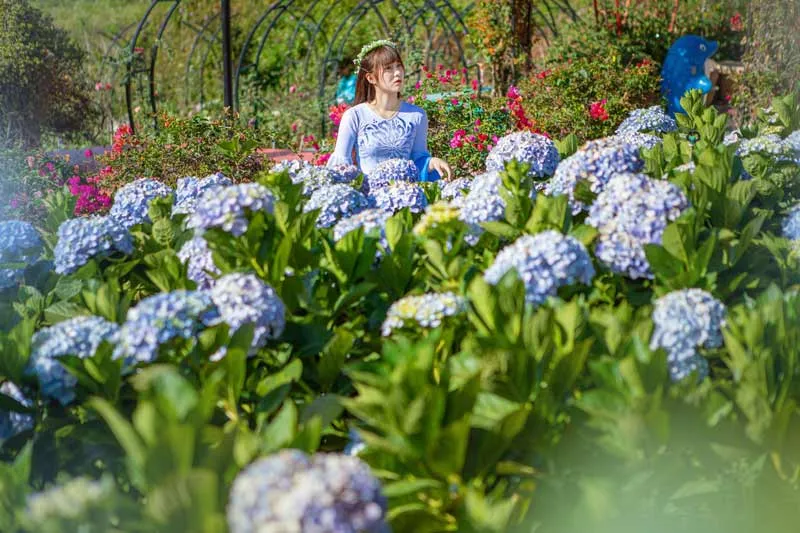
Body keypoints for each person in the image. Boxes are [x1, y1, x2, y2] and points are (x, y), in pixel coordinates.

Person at [326, 40, 452, 181]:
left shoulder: (417, 115)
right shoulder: (355, 116)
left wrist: (431, 162)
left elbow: (419, 159)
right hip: (369, 197)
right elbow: (341, 165)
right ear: (371, 78)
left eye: (399, 66)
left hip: (405, 196)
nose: (397, 73)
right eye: (388, 68)